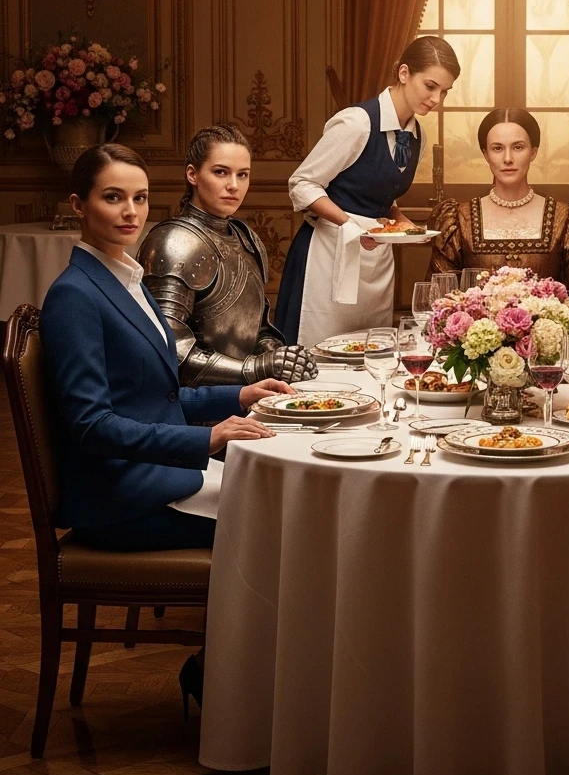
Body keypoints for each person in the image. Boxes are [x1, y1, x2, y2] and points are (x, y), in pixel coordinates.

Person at [40, 144, 292, 715]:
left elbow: (163, 393)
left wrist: (240, 394)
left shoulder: (124, 278)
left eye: (139, 198)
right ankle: (229, 686)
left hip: (155, 474)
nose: (130, 212)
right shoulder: (75, 296)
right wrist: (206, 439)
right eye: (112, 198)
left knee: (283, 507)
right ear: (78, 205)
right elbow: (91, 425)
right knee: (282, 526)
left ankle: (245, 680)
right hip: (119, 495)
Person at [275, 36, 460, 345]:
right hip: (329, 252)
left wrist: (403, 224)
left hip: (375, 260)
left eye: (444, 91)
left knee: (371, 349)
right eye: (430, 86)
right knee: (321, 348)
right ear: (404, 74)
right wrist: (349, 226)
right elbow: (302, 184)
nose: (436, 99)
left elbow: (382, 191)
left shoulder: (415, 136)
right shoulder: (356, 122)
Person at [138, 124, 318, 386]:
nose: (234, 185)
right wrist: (257, 368)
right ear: (193, 174)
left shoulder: (245, 237)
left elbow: (259, 329)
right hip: (198, 410)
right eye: (221, 172)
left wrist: (278, 358)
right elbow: (170, 351)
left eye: (242, 175)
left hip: (249, 397)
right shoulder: (175, 242)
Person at [428, 108, 569, 285]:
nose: (508, 158)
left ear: (533, 152)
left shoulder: (568, 219)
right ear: (486, 154)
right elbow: (440, 301)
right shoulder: (456, 219)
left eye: (518, 147)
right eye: (497, 148)